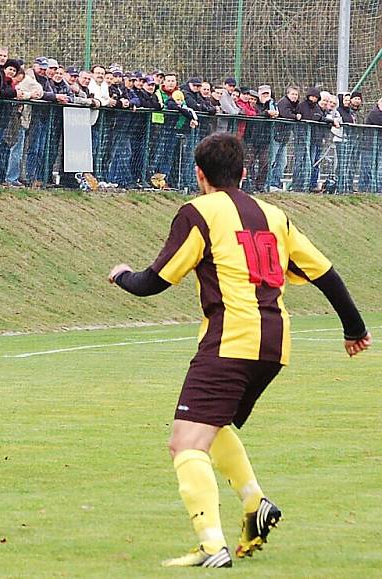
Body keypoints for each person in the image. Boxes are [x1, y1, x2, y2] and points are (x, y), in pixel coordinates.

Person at [107, 132, 371, 568]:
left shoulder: (198, 213)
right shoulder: (274, 215)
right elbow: (325, 273)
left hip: (231, 339)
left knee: (185, 443)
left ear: (199, 174)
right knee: (215, 425)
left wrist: (121, 275)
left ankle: (212, 547)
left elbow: (153, 281)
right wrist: (354, 328)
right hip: (275, 344)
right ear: (245, 173)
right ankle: (255, 505)